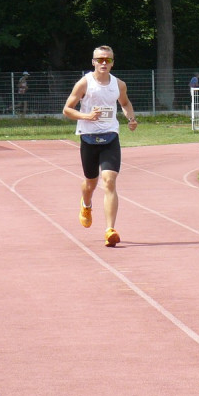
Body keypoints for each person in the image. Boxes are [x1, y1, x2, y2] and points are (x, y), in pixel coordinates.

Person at [63, 46, 139, 247]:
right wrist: (86, 116)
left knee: (109, 181)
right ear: (93, 62)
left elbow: (125, 103)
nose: (104, 63)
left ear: (113, 62)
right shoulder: (84, 83)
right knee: (90, 183)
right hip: (88, 138)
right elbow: (67, 109)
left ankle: (110, 230)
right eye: (100, 59)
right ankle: (86, 204)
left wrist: (131, 118)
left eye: (108, 59)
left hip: (110, 137)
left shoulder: (118, 84)